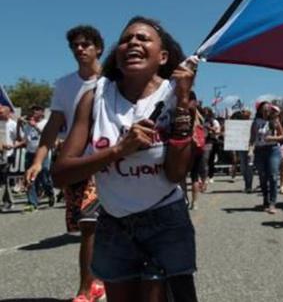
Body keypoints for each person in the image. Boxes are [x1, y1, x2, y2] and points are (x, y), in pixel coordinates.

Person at [53, 16, 198, 301]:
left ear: (163, 56)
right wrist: (118, 150)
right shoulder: (95, 97)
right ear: (117, 55)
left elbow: (176, 174)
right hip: (113, 222)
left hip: (166, 221)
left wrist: (181, 103)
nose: (133, 42)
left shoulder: (177, 95)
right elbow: (61, 174)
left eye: (143, 39)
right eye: (126, 39)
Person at [23, 25, 105, 301]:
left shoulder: (114, 80)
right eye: (75, 46)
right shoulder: (64, 84)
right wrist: (37, 161)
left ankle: (87, 287)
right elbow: (53, 126)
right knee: (84, 224)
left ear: (98, 48)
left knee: (90, 220)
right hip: (75, 162)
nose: (79, 49)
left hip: (108, 160)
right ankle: (96, 280)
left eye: (85, 44)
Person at [250, 102, 283, 213]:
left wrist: (273, 138)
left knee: (273, 175)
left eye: (268, 109)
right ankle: (265, 198)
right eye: (263, 109)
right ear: (260, 110)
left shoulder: (275, 121)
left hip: (273, 150)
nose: (266, 111)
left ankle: (272, 203)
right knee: (263, 176)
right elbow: (252, 138)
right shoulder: (256, 122)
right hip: (260, 151)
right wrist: (250, 150)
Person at [19, 105, 55, 212]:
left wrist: (35, 126)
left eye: (37, 110)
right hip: (30, 153)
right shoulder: (28, 124)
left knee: (44, 176)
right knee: (29, 177)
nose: (34, 112)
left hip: (42, 154)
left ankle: (50, 193)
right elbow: (24, 139)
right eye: (33, 110)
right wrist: (19, 125)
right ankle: (32, 203)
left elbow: (48, 136)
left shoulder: (46, 122)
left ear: (42, 112)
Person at [188, 92, 207, 211]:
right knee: (194, 176)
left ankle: (185, 199)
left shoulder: (185, 111)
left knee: (184, 176)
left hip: (187, 146)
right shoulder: (199, 113)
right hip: (198, 147)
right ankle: (194, 202)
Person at [0, 106, 19, 211]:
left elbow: (21, 139)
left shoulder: (13, 124)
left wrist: (12, 146)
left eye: (1, 113)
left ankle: (9, 202)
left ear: (8, 113)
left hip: (7, 156)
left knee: (4, 180)